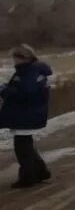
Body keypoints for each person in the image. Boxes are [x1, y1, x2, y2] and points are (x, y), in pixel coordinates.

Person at [0, 44, 52, 188]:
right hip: (30, 114)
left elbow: (24, 94)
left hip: (25, 115)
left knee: (22, 148)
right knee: (26, 145)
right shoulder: (35, 70)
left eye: (14, 58)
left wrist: (4, 90)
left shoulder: (28, 72)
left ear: (21, 58)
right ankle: (40, 171)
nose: (13, 61)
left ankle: (28, 177)